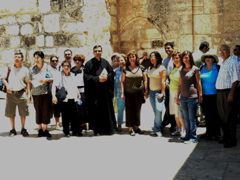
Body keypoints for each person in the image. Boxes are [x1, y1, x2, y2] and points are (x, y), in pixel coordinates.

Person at [84, 45, 116, 136]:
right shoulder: (88, 64)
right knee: (95, 111)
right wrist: (98, 79)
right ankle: (96, 130)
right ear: (93, 52)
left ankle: (107, 129)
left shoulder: (105, 62)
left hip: (105, 92)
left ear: (101, 52)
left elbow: (111, 73)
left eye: (99, 51)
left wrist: (107, 77)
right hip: (94, 92)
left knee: (106, 111)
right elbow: (87, 77)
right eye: (96, 51)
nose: (97, 52)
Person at [176, 50, 202, 143]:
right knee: (186, 118)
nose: (185, 59)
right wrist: (177, 95)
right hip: (183, 97)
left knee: (192, 118)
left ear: (190, 58)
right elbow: (180, 84)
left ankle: (193, 137)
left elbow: (198, 83)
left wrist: (200, 95)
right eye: (184, 57)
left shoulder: (195, 69)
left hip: (192, 97)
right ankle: (187, 135)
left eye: (187, 57)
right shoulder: (182, 70)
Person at [2, 51, 30, 137]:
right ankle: (13, 129)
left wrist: (28, 94)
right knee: (11, 113)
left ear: (22, 59)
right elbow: (3, 79)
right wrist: (7, 86)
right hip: (11, 94)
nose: (16, 58)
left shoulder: (25, 70)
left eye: (18, 57)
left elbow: (28, 82)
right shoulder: (9, 68)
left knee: (23, 113)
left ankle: (23, 129)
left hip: (21, 93)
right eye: (15, 57)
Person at [216, 45, 239, 148]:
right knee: (222, 117)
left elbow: (236, 79)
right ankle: (225, 136)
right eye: (220, 51)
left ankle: (232, 139)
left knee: (230, 117)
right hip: (220, 92)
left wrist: (231, 93)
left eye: (224, 50)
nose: (222, 52)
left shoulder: (233, 62)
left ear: (229, 51)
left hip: (228, 92)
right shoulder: (223, 62)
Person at [121, 52, 148, 136]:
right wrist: (122, 93)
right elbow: (122, 81)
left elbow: (145, 80)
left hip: (139, 92)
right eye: (130, 57)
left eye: (133, 57)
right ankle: (130, 128)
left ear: (136, 58)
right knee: (129, 110)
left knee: (137, 110)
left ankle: (136, 127)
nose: (132, 58)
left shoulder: (141, 68)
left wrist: (146, 91)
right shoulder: (125, 69)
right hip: (128, 92)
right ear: (128, 59)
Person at [52, 60, 81, 137]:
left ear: (70, 67)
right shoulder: (59, 75)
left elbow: (75, 85)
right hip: (64, 99)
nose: (66, 67)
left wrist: (78, 93)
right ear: (62, 67)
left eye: (68, 66)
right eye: (64, 66)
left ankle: (75, 131)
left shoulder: (72, 75)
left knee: (75, 115)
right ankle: (66, 131)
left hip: (73, 97)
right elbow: (54, 86)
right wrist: (53, 96)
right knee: (65, 116)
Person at [29, 51, 53, 139]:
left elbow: (53, 77)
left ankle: (45, 129)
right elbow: (28, 81)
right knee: (38, 110)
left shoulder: (48, 67)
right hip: (35, 93)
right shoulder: (31, 69)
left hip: (45, 92)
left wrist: (45, 80)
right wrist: (29, 94)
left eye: (38, 58)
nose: (36, 60)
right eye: (35, 58)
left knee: (46, 111)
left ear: (42, 59)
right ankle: (39, 129)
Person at [199, 54, 220, 140]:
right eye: (206, 57)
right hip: (204, 95)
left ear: (214, 59)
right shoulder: (201, 68)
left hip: (215, 95)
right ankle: (209, 132)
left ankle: (216, 134)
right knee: (207, 115)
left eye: (210, 57)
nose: (208, 59)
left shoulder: (218, 68)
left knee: (214, 115)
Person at [146, 51, 166, 137]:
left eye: (153, 57)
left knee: (159, 110)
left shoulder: (161, 68)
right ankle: (157, 128)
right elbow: (147, 80)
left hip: (158, 92)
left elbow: (163, 81)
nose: (152, 59)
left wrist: (162, 93)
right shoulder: (150, 68)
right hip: (151, 92)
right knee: (155, 111)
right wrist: (146, 91)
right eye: (150, 57)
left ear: (157, 58)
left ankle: (157, 129)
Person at [169, 52, 185, 137]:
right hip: (172, 92)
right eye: (174, 58)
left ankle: (184, 130)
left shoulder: (182, 69)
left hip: (178, 93)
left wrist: (178, 95)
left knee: (179, 113)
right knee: (175, 113)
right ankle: (178, 129)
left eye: (177, 58)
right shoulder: (174, 68)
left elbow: (181, 83)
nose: (175, 60)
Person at [70, 54, 88, 132]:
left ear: (82, 61)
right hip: (73, 91)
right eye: (75, 60)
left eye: (79, 60)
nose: (77, 62)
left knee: (83, 108)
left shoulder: (85, 70)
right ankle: (77, 125)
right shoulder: (71, 70)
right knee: (75, 109)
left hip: (83, 91)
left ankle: (84, 124)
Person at [161, 42, 176, 132]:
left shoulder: (175, 59)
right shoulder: (164, 60)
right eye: (166, 48)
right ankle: (168, 121)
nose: (167, 50)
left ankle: (173, 124)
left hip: (174, 86)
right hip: (167, 86)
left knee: (174, 106)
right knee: (167, 105)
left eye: (169, 48)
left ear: (173, 48)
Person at [49, 56, 62, 130]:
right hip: (51, 89)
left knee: (58, 107)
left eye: (56, 61)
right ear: (50, 62)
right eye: (53, 61)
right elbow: (47, 78)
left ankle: (58, 124)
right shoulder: (48, 69)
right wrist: (55, 79)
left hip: (59, 90)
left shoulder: (59, 68)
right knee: (53, 107)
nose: (55, 62)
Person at [114, 54, 126, 132]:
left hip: (128, 92)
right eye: (119, 60)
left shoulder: (128, 70)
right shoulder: (116, 71)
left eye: (122, 60)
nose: (120, 62)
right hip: (118, 92)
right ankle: (119, 123)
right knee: (120, 109)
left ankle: (131, 124)